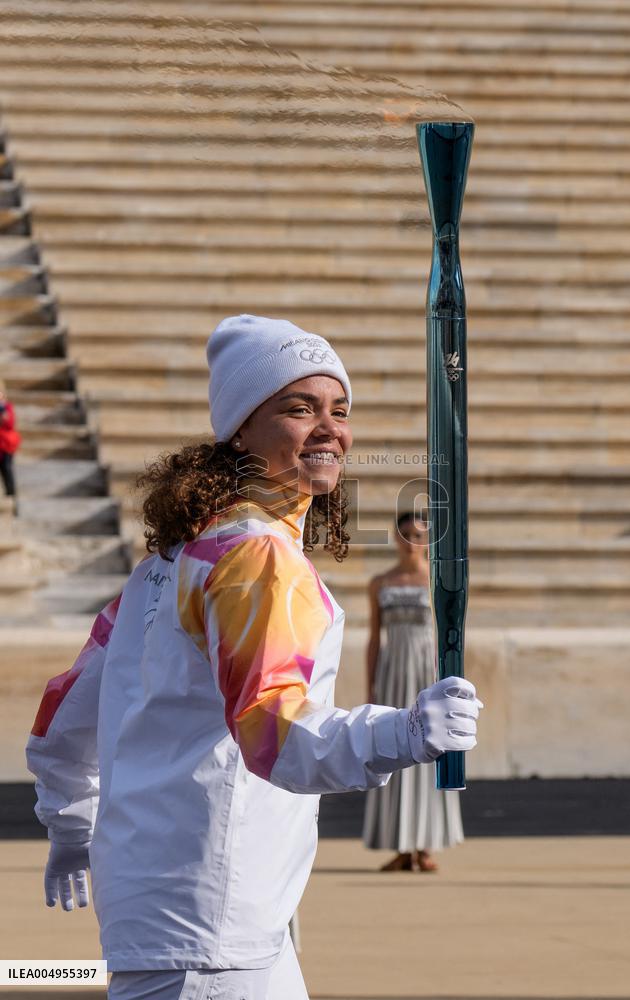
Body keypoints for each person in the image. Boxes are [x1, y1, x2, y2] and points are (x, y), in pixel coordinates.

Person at [25, 314, 484, 1000]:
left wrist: (70, 821)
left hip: (171, 917)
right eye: (299, 408)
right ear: (241, 427)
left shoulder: (168, 563)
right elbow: (275, 734)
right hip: (215, 924)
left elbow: (64, 713)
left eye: (340, 409)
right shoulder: (256, 557)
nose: (330, 427)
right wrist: (407, 731)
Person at [363, 513, 464, 872]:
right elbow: (375, 637)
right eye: (405, 534)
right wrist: (371, 683)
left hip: (426, 672)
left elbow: (448, 634)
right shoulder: (379, 582)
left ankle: (426, 843)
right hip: (393, 673)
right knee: (395, 748)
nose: (411, 541)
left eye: (419, 535)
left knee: (430, 748)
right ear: (395, 537)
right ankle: (403, 845)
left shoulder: (437, 579)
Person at [0, 378, 20, 497]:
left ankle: (11, 492)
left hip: (6, 444)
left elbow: (10, 423)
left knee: (6, 468)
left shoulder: (7, 407)